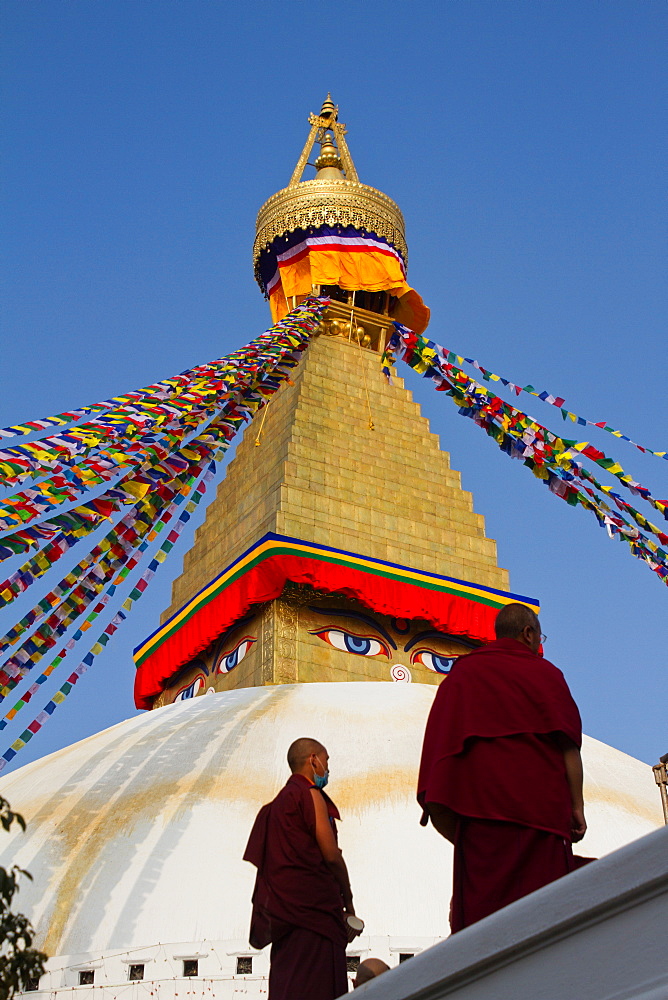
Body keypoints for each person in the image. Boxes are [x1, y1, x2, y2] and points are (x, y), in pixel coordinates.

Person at [417, 603, 588, 932]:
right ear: (528, 634)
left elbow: (441, 753)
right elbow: (568, 745)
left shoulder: (464, 674)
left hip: (481, 825)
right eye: (540, 637)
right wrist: (577, 808)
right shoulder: (547, 674)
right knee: (546, 922)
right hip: (542, 819)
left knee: (486, 927)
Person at [244, 737, 362, 1000]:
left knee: (291, 983)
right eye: (326, 761)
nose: (328, 769)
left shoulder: (272, 809)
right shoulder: (310, 795)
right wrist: (348, 900)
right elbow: (331, 855)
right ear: (313, 760)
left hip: (286, 917)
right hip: (315, 915)